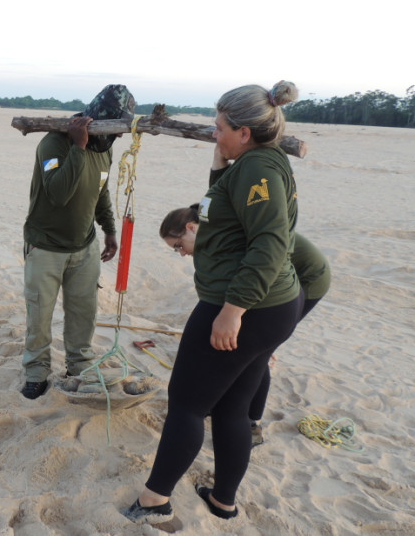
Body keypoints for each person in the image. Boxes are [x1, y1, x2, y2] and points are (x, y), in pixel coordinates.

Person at [123, 81, 306, 524]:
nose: (213, 132)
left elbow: (269, 243)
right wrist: (219, 163)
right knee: (232, 407)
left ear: (244, 132)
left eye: (220, 127)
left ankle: (155, 500)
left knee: (186, 401)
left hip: (247, 305)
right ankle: (223, 500)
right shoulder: (254, 163)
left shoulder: (259, 171)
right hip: (272, 306)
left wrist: (233, 311)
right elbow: (219, 211)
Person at [159, 203, 331, 446]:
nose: (182, 254)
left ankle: (253, 424)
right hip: (278, 277)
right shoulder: (212, 235)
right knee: (248, 345)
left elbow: (258, 274)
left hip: (308, 276)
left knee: (259, 353)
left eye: (179, 246)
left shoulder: (224, 233)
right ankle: (230, 406)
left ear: (191, 228)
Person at [20, 84, 135, 400]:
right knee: (39, 315)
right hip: (45, 246)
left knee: (84, 313)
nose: (119, 137)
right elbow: (58, 194)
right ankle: (36, 372)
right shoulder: (53, 144)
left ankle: (79, 366)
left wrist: (110, 230)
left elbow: (101, 191)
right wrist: (78, 147)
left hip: (84, 247)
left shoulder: (104, 148)